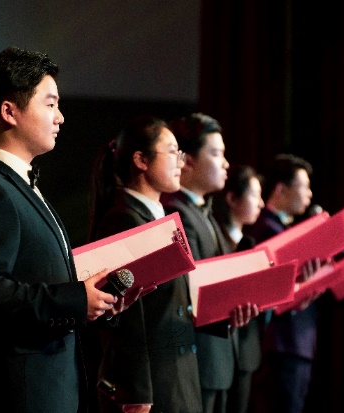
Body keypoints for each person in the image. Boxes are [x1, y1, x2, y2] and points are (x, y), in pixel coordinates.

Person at [0, 46, 130, 413]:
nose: (60, 117)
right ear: (9, 111)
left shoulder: (16, 183)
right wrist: (75, 299)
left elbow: (39, 279)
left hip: (47, 388)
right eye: (50, 104)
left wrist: (96, 300)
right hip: (17, 394)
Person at [244, 153, 344, 413]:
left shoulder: (282, 230)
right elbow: (271, 293)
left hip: (295, 344)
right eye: (304, 186)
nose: (309, 194)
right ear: (281, 189)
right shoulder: (266, 231)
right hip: (281, 345)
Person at [86, 114, 200, 413]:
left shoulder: (158, 218)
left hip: (176, 378)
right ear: (141, 160)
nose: (181, 162)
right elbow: (127, 317)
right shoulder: (124, 220)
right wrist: (136, 392)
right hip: (151, 389)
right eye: (172, 152)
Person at [160, 113, 259, 413]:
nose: (226, 163)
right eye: (216, 154)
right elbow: (193, 291)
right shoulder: (177, 213)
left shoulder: (205, 214)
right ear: (187, 161)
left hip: (218, 361)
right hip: (198, 360)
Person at [212, 164, 265, 413]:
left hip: (246, 349)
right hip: (218, 349)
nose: (261, 204)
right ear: (232, 198)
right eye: (254, 195)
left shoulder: (252, 244)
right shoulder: (216, 239)